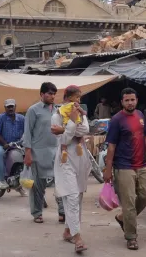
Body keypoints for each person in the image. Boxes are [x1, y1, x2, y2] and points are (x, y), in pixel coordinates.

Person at [104, 87, 146, 251]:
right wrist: (108, 169)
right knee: (128, 204)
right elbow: (111, 147)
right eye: (127, 100)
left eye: (132, 99)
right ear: (122, 102)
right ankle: (131, 237)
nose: (130, 102)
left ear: (136, 100)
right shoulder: (116, 120)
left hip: (141, 164)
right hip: (123, 166)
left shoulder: (140, 116)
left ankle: (123, 218)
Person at [53, 85, 91, 253]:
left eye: (80, 98)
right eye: (76, 98)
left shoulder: (80, 114)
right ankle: (77, 237)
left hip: (80, 158)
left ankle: (68, 230)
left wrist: (66, 127)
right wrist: (70, 124)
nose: (78, 101)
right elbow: (65, 139)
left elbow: (86, 129)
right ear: (67, 98)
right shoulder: (56, 115)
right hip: (65, 159)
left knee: (78, 196)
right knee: (72, 196)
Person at [23, 82, 60, 224]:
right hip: (38, 153)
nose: (52, 96)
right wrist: (28, 153)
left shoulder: (57, 110)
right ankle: (37, 213)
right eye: (49, 93)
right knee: (38, 185)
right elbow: (28, 133)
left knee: (61, 183)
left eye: (54, 94)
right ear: (41, 94)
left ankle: (62, 212)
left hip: (55, 151)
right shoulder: (33, 110)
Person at [0, 99, 26, 190]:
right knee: (0, 153)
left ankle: (19, 183)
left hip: (16, 144)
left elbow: (27, 131)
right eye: (8, 107)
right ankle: (0, 179)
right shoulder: (0, 118)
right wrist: (5, 144)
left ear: (15, 106)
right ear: (5, 108)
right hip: (1, 144)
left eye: (12, 106)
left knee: (26, 156)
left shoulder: (22, 119)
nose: (10, 108)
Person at [59, 87, 87, 165]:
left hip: (66, 123)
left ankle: (64, 151)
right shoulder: (75, 104)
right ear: (70, 97)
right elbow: (83, 112)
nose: (79, 99)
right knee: (80, 136)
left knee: (63, 143)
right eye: (77, 97)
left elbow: (61, 113)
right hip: (75, 122)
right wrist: (83, 112)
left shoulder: (63, 106)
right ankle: (79, 144)